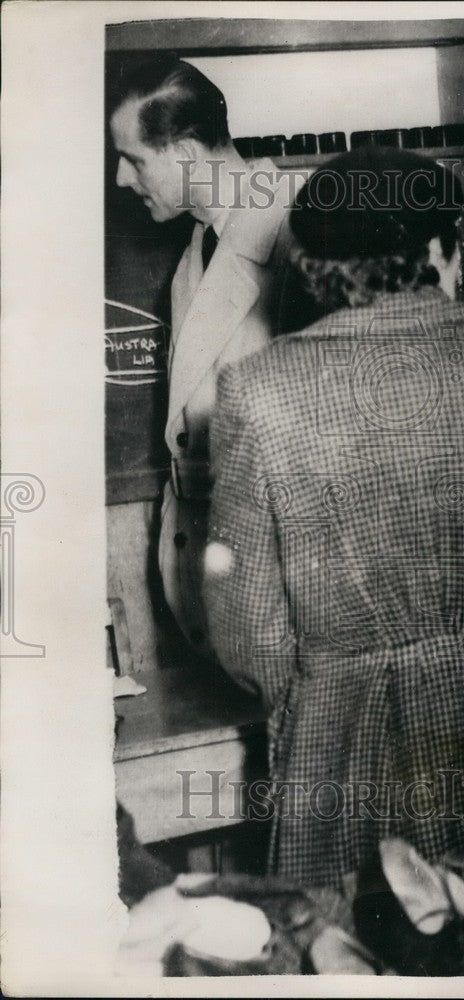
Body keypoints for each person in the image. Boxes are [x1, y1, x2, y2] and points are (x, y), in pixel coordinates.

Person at [203, 147, 464, 888]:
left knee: (376, 952)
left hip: (351, 739)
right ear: (444, 247)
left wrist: (335, 687)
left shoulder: (257, 389)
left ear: (311, 264)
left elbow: (252, 635)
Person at [109, 55, 299, 655]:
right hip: (214, 581)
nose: (120, 178)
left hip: (281, 590)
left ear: (187, 155)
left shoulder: (305, 235)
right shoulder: (199, 244)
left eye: (135, 159)